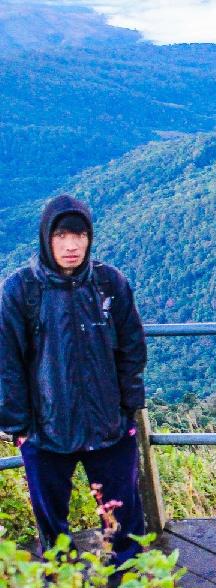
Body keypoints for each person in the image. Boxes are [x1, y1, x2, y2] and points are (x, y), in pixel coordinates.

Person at [0, 195, 148, 565]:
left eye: (80, 235)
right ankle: (63, 585)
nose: (72, 245)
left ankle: (126, 580)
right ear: (46, 238)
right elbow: (7, 363)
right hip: (45, 432)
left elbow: (132, 348)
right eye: (62, 235)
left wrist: (129, 408)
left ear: (90, 236)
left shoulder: (109, 283)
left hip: (108, 425)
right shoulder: (20, 291)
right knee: (52, 523)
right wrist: (18, 426)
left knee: (123, 516)